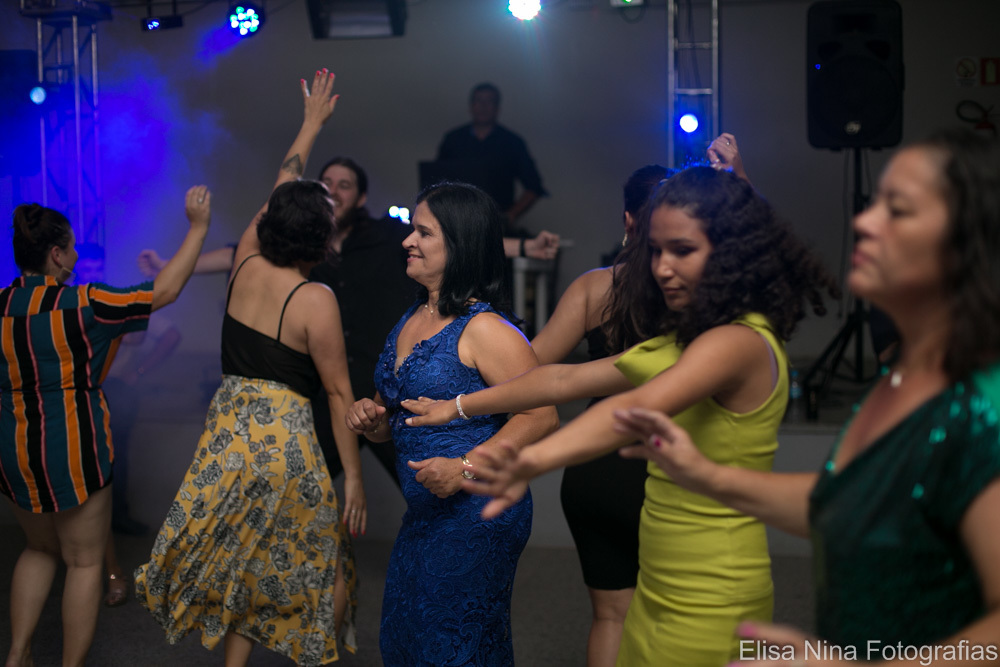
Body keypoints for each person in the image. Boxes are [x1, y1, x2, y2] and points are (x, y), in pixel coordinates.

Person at [403, 165, 838, 666]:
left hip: (710, 587)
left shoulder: (737, 341)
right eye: (657, 250)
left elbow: (628, 410)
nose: (662, 268)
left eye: (682, 250)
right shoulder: (685, 340)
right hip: (658, 579)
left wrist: (526, 461)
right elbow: (562, 379)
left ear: (731, 250)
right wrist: (457, 406)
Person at [609, 128, 1000, 666]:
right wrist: (708, 477)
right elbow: (855, 504)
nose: (864, 222)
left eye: (898, 210)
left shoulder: (984, 406)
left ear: (965, 241)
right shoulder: (906, 380)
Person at [134, 69, 365, 667]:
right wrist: (354, 479)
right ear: (322, 238)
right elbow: (339, 395)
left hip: (228, 438)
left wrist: (310, 124)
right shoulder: (315, 299)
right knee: (329, 566)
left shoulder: (243, 262)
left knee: (243, 560)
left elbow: (281, 189)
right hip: (286, 446)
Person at [522, 133, 748, 667]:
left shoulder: (593, 287)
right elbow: (751, 256)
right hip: (666, 463)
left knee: (610, 617)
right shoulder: (695, 288)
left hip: (596, 469)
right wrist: (737, 178)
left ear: (627, 220)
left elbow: (531, 366)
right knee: (680, 619)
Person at [345, 181, 559, 665]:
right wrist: (371, 420)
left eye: (423, 232)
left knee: (451, 647)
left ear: (459, 245)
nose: (408, 241)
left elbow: (541, 414)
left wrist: (464, 467)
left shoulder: (485, 329)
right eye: (411, 230)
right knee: (404, 636)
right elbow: (390, 417)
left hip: (478, 508)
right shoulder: (411, 317)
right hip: (425, 509)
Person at [0, 190, 209, 667]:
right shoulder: (85, 303)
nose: (76, 256)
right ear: (56, 255)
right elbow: (164, 292)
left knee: (38, 549)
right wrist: (198, 227)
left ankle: (16, 654)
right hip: (74, 449)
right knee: (84, 561)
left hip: (14, 449)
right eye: (72, 248)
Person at [436, 82, 547, 235]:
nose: (483, 106)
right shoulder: (453, 140)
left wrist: (510, 216)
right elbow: (437, 182)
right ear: (471, 106)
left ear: (497, 107)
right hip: (457, 225)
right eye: (479, 101)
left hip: (497, 227)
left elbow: (534, 187)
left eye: (489, 101)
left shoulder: (512, 142)